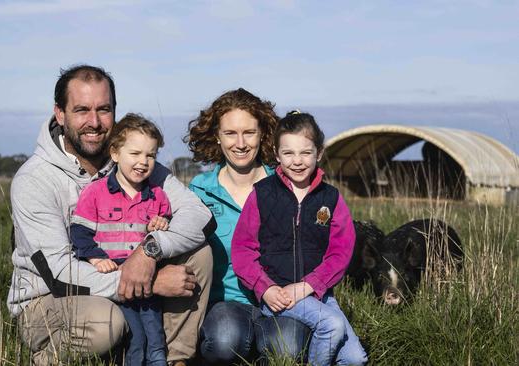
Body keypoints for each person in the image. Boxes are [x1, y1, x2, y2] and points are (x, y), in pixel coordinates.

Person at [7, 64, 214, 366]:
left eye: (104, 110)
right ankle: (50, 357)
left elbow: (201, 217)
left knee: (200, 253)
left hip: (117, 283)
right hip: (51, 299)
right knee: (106, 324)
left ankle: (172, 359)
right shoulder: (34, 180)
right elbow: (58, 275)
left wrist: (151, 249)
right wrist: (149, 281)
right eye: (82, 110)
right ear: (60, 114)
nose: (94, 122)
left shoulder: (133, 161)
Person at [231, 111, 368, 366]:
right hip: (278, 294)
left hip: (318, 294)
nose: (297, 161)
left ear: (319, 153)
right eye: (288, 153)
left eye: (305, 153)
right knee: (332, 324)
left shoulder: (331, 198)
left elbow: (341, 252)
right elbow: (242, 250)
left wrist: (310, 285)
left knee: (355, 359)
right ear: (276, 154)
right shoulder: (262, 195)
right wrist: (265, 287)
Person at [185, 89, 309, 365]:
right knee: (225, 341)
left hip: (283, 299)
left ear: (263, 134)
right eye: (230, 133)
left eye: (249, 133)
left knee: (287, 350)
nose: (240, 143)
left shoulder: (287, 185)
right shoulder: (199, 191)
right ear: (217, 136)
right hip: (225, 301)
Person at [70, 114, 171, 365]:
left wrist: (162, 224)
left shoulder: (157, 195)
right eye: (135, 154)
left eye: (150, 155)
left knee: (156, 337)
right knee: (135, 337)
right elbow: (79, 233)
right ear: (115, 153)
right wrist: (95, 257)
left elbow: (167, 226)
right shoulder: (95, 192)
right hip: (113, 282)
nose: (143, 162)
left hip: (146, 282)